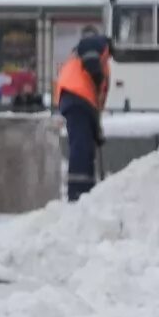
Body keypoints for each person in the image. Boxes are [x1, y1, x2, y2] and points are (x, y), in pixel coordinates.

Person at [54, 32, 112, 200]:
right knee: (81, 146)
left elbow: (99, 102)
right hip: (76, 95)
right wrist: (96, 72)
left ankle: (86, 188)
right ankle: (77, 191)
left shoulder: (105, 65)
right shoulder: (99, 44)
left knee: (86, 147)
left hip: (80, 100)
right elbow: (88, 49)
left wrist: (97, 130)